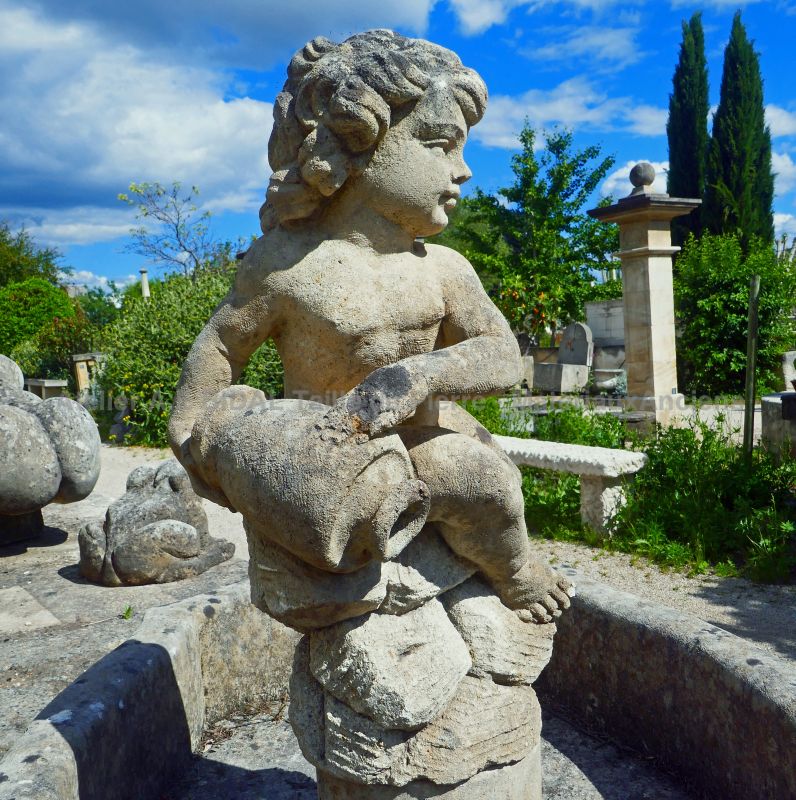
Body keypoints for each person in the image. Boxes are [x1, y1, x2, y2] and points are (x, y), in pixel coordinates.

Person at [169, 30, 571, 622]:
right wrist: (192, 429)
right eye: (440, 145)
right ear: (360, 142)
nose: (462, 171)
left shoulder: (443, 269)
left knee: (489, 484)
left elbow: (501, 353)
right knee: (361, 506)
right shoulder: (288, 264)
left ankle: (515, 570)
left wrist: (418, 377)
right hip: (328, 450)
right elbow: (223, 346)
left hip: (423, 435)